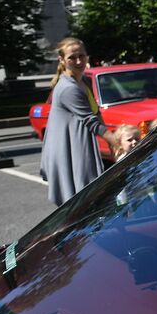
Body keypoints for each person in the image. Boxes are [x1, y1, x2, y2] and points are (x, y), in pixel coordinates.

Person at [40, 37, 117, 206]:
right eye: (72, 57)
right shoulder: (68, 88)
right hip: (66, 149)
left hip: (77, 143)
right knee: (79, 202)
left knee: (86, 199)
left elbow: (96, 113)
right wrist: (115, 140)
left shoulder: (83, 81)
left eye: (81, 56)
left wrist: (112, 144)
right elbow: (91, 121)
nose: (78, 61)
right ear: (62, 60)